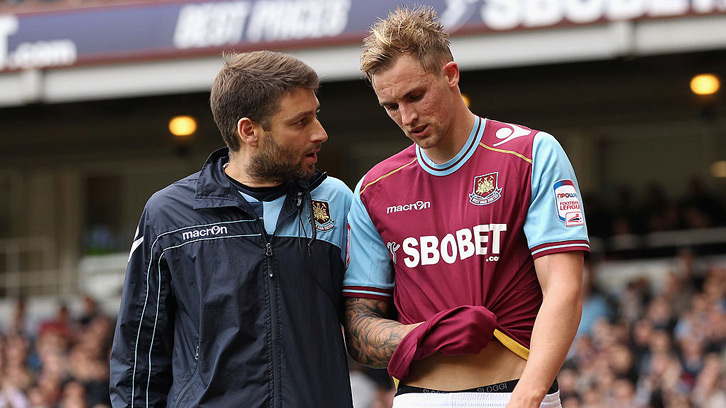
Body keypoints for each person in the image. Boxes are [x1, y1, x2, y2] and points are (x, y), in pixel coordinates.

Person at [342, 6, 590, 408]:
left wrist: (529, 395)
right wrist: (426, 335)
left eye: (416, 95)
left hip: (518, 394)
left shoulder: (530, 153)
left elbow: (564, 288)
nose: (407, 116)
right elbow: (358, 329)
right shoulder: (374, 188)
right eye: (390, 106)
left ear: (450, 74)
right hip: (416, 399)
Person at [109, 51, 353, 407]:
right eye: (301, 122)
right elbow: (138, 355)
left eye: (316, 116)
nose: (320, 133)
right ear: (249, 131)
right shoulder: (168, 215)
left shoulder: (336, 201)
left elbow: (369, 316)